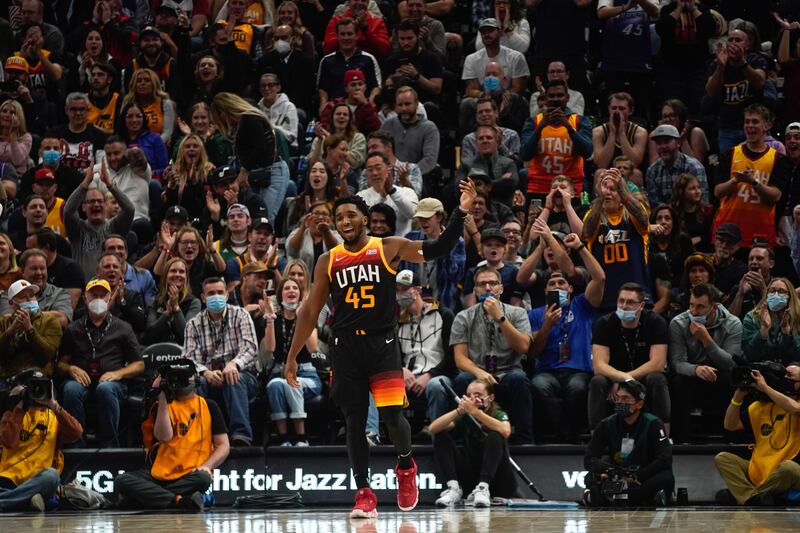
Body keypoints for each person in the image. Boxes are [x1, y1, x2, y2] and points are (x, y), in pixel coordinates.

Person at [284, 181, 477, 517]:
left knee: (391, 417)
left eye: (351, 215)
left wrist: (461, 211)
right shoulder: (328, 260)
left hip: (382, 343)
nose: (344, 220)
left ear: (365, 218)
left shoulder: (388, 246)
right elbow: (310, 312)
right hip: (346, 348)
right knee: (355, 421)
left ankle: (406, 467)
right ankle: (363, 493)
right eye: (339, 216)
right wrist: (291, 357)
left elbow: (439, 247)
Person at [114, 360, 230, 511]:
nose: (180, 380)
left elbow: (224, 445)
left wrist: (207, 466)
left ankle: (144, 499)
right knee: (121, 480)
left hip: (191, 474)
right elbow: (164, 437)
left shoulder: (209, 406)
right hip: (157, 475)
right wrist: (161, 397)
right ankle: (179, 501)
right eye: (175, 376)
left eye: (184, 376)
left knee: (204, 479)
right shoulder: (161, 406)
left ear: (195, 379)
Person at [528, 233, 605, 443]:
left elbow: (600, 278)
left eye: (562, 282)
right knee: (539, 385)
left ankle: (567, 438)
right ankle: (566, 437)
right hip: (548, 371)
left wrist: (580, 248)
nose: (557, 286)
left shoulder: (581, 305)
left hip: (578, 370)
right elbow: (533, 352)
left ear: (570, 289)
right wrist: (547, 325)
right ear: (545, 290)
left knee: (577, 387)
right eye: (552, 283)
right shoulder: (535, 314)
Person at [57, 278, 144, 447]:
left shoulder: (123, 327)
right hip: (81, 382)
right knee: (70, 389)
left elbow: (139, 364)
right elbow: (60, 363)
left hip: (112, 383)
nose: (98, 299)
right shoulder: (73, 329)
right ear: (85, 299)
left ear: (110, 298)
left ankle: (110, 448)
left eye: (102, 295)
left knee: (105, 389)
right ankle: (76, 447)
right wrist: (71, 368)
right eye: (93, 295)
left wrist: (118, 373)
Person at [451, 266, 533, 443]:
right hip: (477, 373)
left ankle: (525, 440)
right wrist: (479, 373)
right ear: (475, 290)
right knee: (461, 380)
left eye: (493, 283)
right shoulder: (463, 317)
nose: (488, 288)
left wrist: (500, 318)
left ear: (501, 288)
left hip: (508, 371)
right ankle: (462, 438)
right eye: (482, 284)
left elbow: (523, 347)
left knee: (519, 379)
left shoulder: (517, 313)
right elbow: (460, 358)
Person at [183, 277, 260, 447]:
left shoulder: (241, 315)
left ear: (226, 295)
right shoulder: (193, 324)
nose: (216, 296)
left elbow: (251, 349)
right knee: (196, 382)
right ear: (203, 298)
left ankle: (241, 435)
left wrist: (234, 364)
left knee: (234, 377)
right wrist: (205, 372)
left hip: (243, 375)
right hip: (209, 376)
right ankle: (197, 435)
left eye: (219, 292)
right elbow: (188, 358)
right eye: (211, 293)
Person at [589, 283, 670, 431]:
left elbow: (657, 363)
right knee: (597, 381)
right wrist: (621, 378)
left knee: (657, 378)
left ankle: (663, 435)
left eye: (630, 302)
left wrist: (625, 380)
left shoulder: (656, 322)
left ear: (641, 306)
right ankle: (596, 436)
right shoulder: (604, 323)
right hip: (613, 377)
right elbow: (599, 366)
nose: (624, 306)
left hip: (641, 377)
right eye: (621, 301)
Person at [715, 366, 800, 505]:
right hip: (760, 470)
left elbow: (796, 410)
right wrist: (738, 397)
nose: (784, 379)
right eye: (783, 375)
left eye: (789, 376)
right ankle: (755, 497)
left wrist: (766, 388)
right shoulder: (759, 406)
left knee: (788, 468)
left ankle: (748, 496)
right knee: (723, 458)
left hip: (792, 471)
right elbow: (730, 425)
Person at [669, 283, 742, 443]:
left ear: (714, 307)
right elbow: (677, 363)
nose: (694, 312)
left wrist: (706, 340)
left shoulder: (733, 323)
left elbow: (731, 364)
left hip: (720, 373)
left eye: (700, 307)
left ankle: (731, 440)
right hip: (692, 373)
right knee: (679, 382)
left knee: (730, 379)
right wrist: (696, 369)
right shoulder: (678, 323)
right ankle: (682, 440)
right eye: (691, 305)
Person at [584, 379, 674, 506]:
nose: (620, 402)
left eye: (625, 399)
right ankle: (630, 496)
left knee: (665, 477)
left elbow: (665, 459)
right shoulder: (606, 424)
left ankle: (611, 496)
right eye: (618, 398)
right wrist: (610, 470)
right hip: (619, 474)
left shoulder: (653, 424)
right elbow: (589, 458)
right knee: (590, 477)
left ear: (639, 404)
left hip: (644, 475)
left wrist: (637, 477)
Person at [0, 371, 81, 511]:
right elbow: (8, 442)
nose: (36, 391)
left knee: (52, 475)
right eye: (32, 387)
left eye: (40, 387)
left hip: (38, 480)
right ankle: (26, 500)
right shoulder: (13, 414)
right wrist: (20, 404)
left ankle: (12, 501)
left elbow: (76, 432)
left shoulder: (55, 418)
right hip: (8, 478)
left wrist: (53, 403)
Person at [712, 104, 791, 248]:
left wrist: (753, 182)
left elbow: (776, 195)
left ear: (767, 125)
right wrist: (736, 180)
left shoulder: (778, 159)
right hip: (728, 231)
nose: (750, 125)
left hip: (760, 234)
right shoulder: (729, 155)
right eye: (747, 122)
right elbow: (718, 192)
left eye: (755, 121)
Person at [429, 377, 516, 507]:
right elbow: (433, 428)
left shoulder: (498, 413)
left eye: (478, 395)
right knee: (440, 435)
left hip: (497, 480)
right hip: (471, 477)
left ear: (490, 398)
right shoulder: (464, 417)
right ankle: (454, 489)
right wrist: (459, 411)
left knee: (495, 436)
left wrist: (476, 412)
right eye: (469, 395)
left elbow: (505, 431)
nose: (473, 398)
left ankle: (483, 488)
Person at [210, 92, 288, 223]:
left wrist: (244, 171)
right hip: (256, 174)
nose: (221, 119)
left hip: (273, 171)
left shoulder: (250, 118)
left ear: (226, 108)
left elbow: (260, 147)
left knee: (264, 220)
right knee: (251, 219)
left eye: (220, 114)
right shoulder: (240, 124)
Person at [263, 278, 322, 447]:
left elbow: (313, 348)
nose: (291, 291)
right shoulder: (276, 319)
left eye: (295, 288)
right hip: (281, 373)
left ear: (300, 295)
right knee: (274, 385)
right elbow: (270, 348)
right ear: (280, 295)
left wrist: (303, 318)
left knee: (290, 383)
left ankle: (301, 437)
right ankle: (284, 439)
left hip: (307, 376)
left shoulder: (308, 317)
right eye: (287, 288)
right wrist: (269, 319)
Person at [583, 168, 651, 312]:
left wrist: (622, 189)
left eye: (612, 189)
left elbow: (644, 220)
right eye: (604, 188)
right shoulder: (593, 215)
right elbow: (587, 231)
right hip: (605, 300)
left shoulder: (632, 215)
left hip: (637, 298)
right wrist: (600, 197)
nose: (607, 192)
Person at [395, 269, 455, 424]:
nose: (400, 294)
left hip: (437, 375)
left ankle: (437, 432)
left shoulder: (444, 315)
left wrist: (430, 375)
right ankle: (395, 439)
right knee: (384, 385)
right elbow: (390, 355)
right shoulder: (396, 323)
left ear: (417, 290)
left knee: (436, 385)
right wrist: (401, 369)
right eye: (397, 290)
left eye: (405, 289)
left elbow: (452, 357)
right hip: (407, 376)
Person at [521, 79, 592, 200]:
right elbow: (524, 155)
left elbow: (587, 152)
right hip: (539, 187)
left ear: (567, 97)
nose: (556, 99)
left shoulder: (580, 121)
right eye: (551, 96)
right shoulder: (533, 122)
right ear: (545, 98)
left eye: (560, 95)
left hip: (572, 186)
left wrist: (568, 127)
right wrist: (540, 127)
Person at [64, 160, 135, 280]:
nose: (96, 204)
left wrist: (110, 185)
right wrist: (85, 184)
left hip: (110, 289)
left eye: (100, 201)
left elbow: (130, 210)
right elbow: (68, 211)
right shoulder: (77, 229)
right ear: (83, 207)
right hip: (84, 292)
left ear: (106, 205)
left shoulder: (114, 227)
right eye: (91, 201)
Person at [705, 23, 769, 152]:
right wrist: (720, 67)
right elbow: (710, 91)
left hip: (752, 126)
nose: (733, 43)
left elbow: (760, 82)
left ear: (747, 45)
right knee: (729, 168)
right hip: (727, 127)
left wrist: (742, 63)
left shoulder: (756, 60)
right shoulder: (717, 63)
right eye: (730, 40)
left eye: (738, 40)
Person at [400, 198, 466, 311]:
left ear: (439, 217)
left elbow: (455, 275)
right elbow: (401, 273)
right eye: (421, 218)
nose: (423, 222)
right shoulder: (410, 239)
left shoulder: (456, 242)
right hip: (413, 305)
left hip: (443, 304)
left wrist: (444, 245)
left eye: (427, 218)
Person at [0, 279, 62, 379]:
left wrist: (30, 330)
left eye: (32, 296)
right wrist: (10, 331)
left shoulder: (50, 321)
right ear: (11, 303)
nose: (29, 300)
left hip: (39, 376)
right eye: (23, 298)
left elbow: (49, 354)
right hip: (8, 376)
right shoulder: (2, 323)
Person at [591, 93, 649, 187]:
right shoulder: (598, 132)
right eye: (614, 108)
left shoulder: (640, 132)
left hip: (628, 172)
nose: (617, 112)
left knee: (636, 173)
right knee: (599, 172)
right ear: (609, 109)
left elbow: (633, 163)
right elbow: (601, 164)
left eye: (622, 108)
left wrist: (622, 133)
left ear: (631, 111)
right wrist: (612, 133)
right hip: (608, 172)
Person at [381, 87, 440, 178]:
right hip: (389, 176)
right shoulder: (387, 125)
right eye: (400, 105)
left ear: (416, 104)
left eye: (407, 104)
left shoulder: (429, 128)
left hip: (418, 178)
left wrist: (408, 174)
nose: (404, 108)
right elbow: (379, 152)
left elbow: (429, 160)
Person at [741, 277, 800, 366]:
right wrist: (763, 331)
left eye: (781, 291)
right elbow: (750, 355)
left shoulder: (798, 317)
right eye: (772, 291)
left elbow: (797, 355)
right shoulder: (752, 317)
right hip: (760, 369)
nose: (776, 294)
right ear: (767, 294)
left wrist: (786, 333)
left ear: (790, 296)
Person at [357, 151, 418, 236]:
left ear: (388, 167)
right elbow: (365, 223)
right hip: (373, 246)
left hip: (402, 244)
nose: (374, 173)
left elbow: (412, 214)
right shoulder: (360, 196)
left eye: (378, 168)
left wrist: (392, 192)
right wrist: (381, 196)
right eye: (370, 170)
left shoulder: (407, 192)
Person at [646, 125, 708, 207]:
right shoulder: (652, 170)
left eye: (667, 141)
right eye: (659, 143)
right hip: (665, 218)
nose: (663, 146)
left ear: (678, 143)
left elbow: (701, 202)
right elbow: (655, 204)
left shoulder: (694, 167)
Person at [144, 257, 201, 345]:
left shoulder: (194, 302)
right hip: (157, 352)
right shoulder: (154, 301)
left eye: (181, 271)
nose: (177, 274)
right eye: (173, 271)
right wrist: (166, 315)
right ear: (165, 275)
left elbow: (187, 336)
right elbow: (150, 335)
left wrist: (176, 308)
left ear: (186, 277)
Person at [286, 200, 342, 275]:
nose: (320, 217)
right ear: (308, 216)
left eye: (325, 214)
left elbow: (337, 252)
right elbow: (291, 251)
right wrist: (302, 227)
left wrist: (326, 231)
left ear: (330, 219)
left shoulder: (336, 235)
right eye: (316, 213)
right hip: (301, 281)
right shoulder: (298, 233)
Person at [323, 0, 390, 59]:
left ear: (368, 3)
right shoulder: (336, 21)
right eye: (356, 0)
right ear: (349, 2)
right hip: (338, 63)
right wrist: (351, 27)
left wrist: (365, 29)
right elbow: (328, 49)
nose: (360, 3)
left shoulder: (377, 22)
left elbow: (384, 51)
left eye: (363, 0)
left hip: (368, 65)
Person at [728, 245, 775, 320]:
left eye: (759, 258)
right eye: (751, 259)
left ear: (771, 264)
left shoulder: (779, 287)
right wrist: (740, 295)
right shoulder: (738, 288)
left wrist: (763, 290)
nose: (754, 262)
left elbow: (777, 318)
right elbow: (729, 322)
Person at [671, 173, 714, 252]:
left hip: (703, 254)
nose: (697, 191)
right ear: (681, 192)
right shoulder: (672, 213)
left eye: (698, 187)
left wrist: (698, 238)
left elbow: (711, 235)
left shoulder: (706, 210)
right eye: (692, 188)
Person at [0, 99, 32, 176]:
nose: (7, 115)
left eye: (12, 112)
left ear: (19, 117)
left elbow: (17, 160)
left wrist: (13, 135)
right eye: (4, 111)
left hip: (16, 177)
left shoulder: (26, 137)